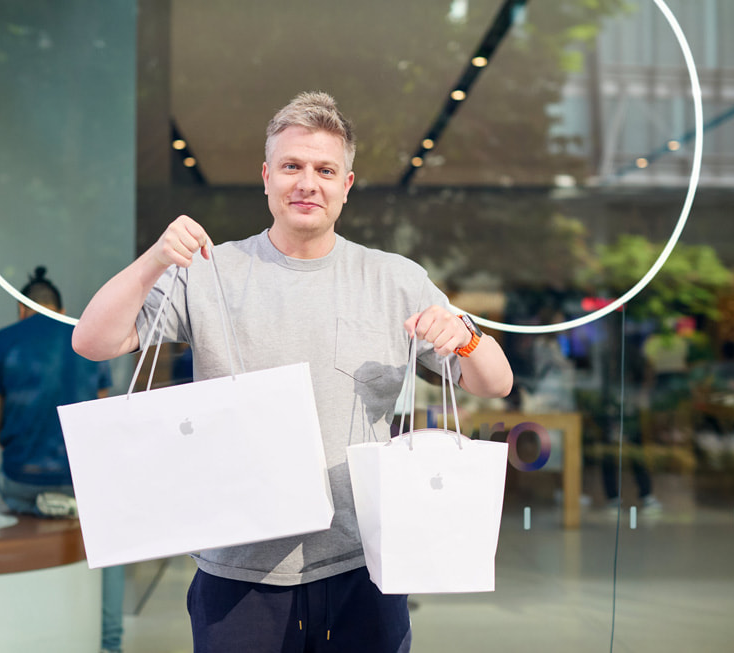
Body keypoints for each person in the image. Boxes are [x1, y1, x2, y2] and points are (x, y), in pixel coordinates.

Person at [72, 91, 513, 652]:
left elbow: (495, 383)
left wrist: (469, 338)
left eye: (325, 170)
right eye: (292, 166)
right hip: (239, 569)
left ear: (346, 186)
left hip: (365, 564)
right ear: (266, 177)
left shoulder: (394, 278)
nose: (308, 182)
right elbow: (92, 341)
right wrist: (156, 257)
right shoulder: (210, 272)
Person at [0, 267, 125, 653]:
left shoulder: (2, 341)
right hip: (79, 478)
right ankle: (109, 643)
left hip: (22, 479)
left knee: (23, 534)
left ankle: (29, 634)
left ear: (23, 309)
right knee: (109, 545)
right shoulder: (86, 337)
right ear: (60, 308)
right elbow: (101, 413)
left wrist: (14, 448)